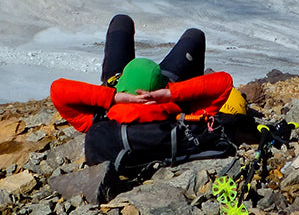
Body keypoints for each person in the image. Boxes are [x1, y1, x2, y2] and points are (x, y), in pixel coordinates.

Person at [49, 14, 235, 136]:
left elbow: (58, 89)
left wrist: (114, 97)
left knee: (121, 21)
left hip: (131, 90)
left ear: (121, 85)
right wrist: (170, 93)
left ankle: (129, 81)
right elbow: (224, 82)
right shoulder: (179, 114)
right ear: (161, 88)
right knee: (194, 35)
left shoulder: (100, 120)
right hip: (162, 88)